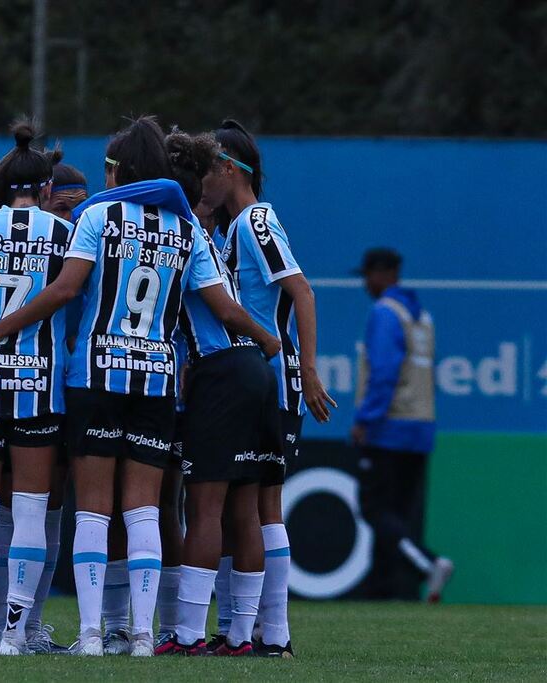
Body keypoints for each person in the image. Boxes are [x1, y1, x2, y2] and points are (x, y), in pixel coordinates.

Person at [0, 116, 277, 657]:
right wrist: (267, 337)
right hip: (154, 379)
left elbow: (64, 289)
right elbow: (224, 306)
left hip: (95, 377)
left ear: (120, 170)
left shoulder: (97, 216)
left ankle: (90, 634)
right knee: (144, 512)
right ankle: (139, 635)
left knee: (93, 512)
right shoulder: (184, 228)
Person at [201, 119, 336, 658]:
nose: (202, 182)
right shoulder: (233, 228)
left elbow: (301, 292)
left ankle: (269, 632)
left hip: (271, 385)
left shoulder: (256, 221)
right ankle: (251, 630)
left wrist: (306, 371)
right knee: (248, 508)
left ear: (230, 169)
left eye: (208, 170)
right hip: (253, 385)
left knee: (260, 506)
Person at [156, 133, 283, 657]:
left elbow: (224, 310)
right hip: (253, 375)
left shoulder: (180, 232)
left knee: (203, 508)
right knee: (246, 510)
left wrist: (267, 338)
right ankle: (241, 636)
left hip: (223, 371)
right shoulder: (210, 233)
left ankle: (186, 635)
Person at [0, 121, 73, 656]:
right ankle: (17, 633)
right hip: (38, 385)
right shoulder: (64, 235)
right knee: (29, 512)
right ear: (47, 189)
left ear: (0, 185)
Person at [352, 247, 453, 602]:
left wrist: (366, 419)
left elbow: (383, 373)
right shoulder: (421, 316)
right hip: (421, 427)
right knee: (397, 515)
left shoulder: (385, 312)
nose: (366, 283)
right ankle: (380, 588)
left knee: (375, 509)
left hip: (389, 427)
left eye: (367, 275)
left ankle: (428, 564)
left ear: (382, 274)